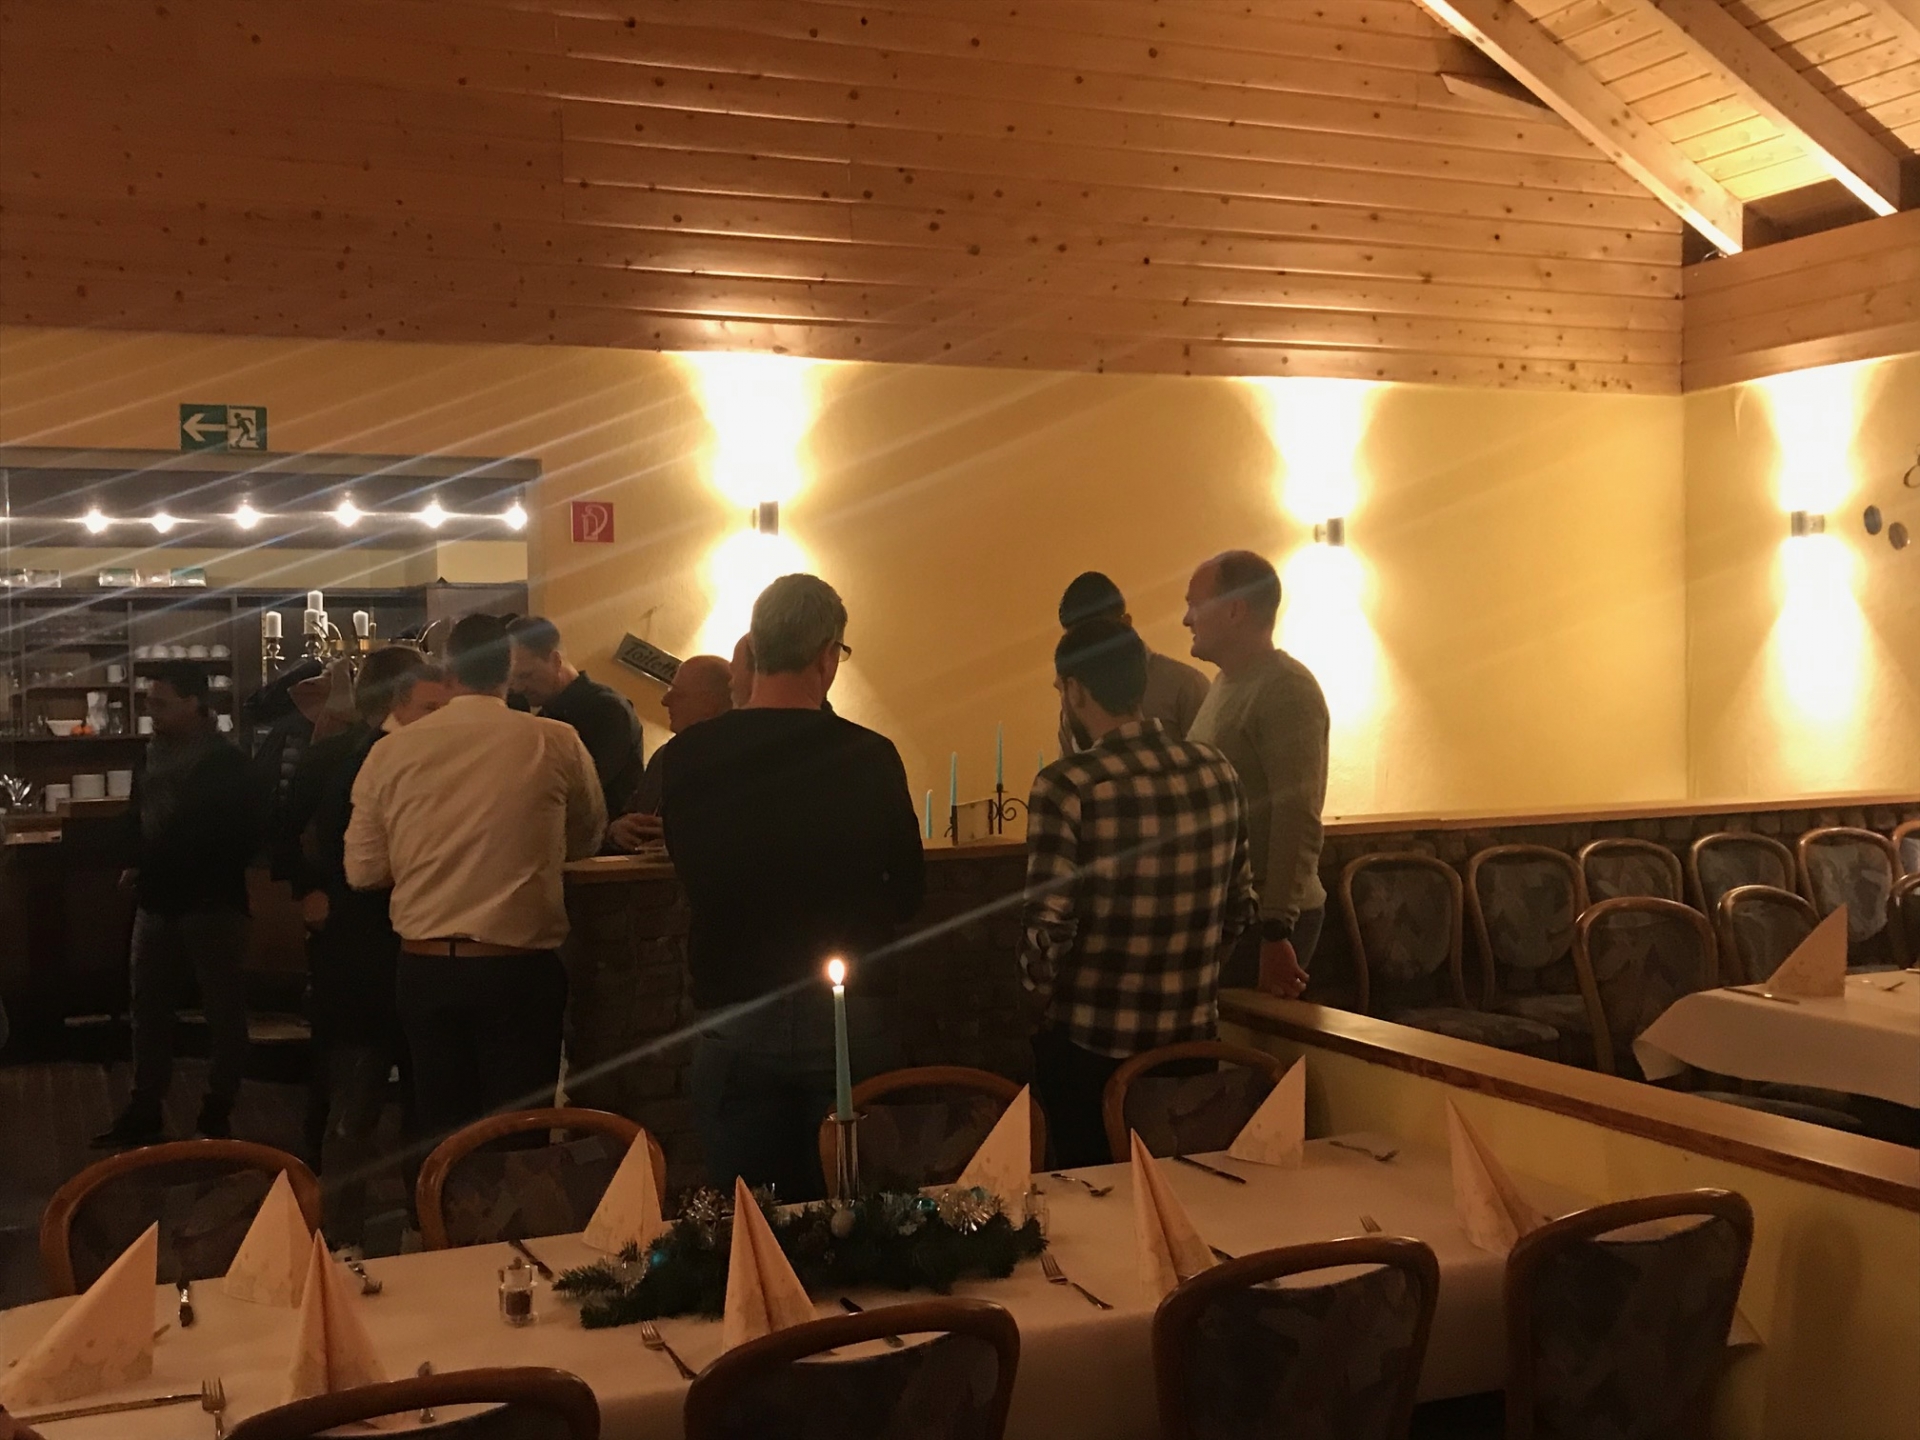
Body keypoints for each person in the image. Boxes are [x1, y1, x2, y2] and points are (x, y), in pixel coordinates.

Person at [662, 575, 924, 1198]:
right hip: (847, 1012)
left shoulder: (688, 755)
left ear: (753, 650)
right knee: (857, 1213)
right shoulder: (869, 755)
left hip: (734, 1006)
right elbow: (909, 893)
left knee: (749, 1221)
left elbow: (689, 871)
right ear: (827, 656)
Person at [346, 616, 606, 1140]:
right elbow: (585, 839)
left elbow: (363, 870)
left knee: (441, 1133)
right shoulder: (554, 740)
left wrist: (425, 857)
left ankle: (438, 1198)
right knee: (520, 1139)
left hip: (424, 967)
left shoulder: (390, 751)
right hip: (518, 969)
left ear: (449, 672)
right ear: (509, 671)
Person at [1020, 618, 1258, 1166]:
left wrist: (1033, 1006)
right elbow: (1241, 908)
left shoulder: (1067, 785)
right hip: (1191, 1041)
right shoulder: (1217, 770)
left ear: (1075, 690)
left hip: (1091, 1047)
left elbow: (1047, 933)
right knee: (1185, 1188)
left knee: (1091, 1195)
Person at [303, 648, 452, 1245]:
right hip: (367, 957)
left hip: (408, 954)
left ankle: (420, 1231)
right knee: (356, 1108)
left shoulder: (411, 756)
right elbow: (340, 856)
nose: (443, 718)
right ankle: (341, 1241)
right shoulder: (365, 759)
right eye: (431, 708)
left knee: (420, 1107)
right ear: (399, 703)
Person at [94, 663, 259, 1147]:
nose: (152, 712)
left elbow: (227, 838)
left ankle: (216, 1110)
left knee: (223, 1014)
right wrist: (134, 856)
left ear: (194, 703)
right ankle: (146, 1108)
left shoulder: (227, 763)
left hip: (211, 903)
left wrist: (145, 860)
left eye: (161, 704)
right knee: (148, 1010)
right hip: (161, 899)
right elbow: (138, 815)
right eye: (150, 703)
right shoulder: (153, 754)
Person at [1183, 550, 1330, 999]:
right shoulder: (1225, 685)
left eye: (1195, 605)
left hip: (1266, 919)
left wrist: (1276, 927)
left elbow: (1297, 813)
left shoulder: (1286, 689)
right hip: (1230, 911)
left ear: (1235, 610)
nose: (1187, 620)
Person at [1054, 571, 1210, 755]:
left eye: (1102, 634)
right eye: (1078, 642)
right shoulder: (1075, 697)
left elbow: (1206, 761)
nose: (1090, 648)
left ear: (1126, 623)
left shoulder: (1185, 686)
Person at [506, 616, 645, 816]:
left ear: (555, 661)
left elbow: (581, 795)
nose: (518, 688)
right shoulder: (547, 714)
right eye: (512, 680)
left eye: (526, 675)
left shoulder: (607, 710)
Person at [610, 653, 733, 850]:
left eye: (677, 693)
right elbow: (631, 811)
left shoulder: (737, 766)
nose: (665, 700)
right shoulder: (665, 755)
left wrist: (684, 842)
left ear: (709, 704)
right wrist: (618, 829)